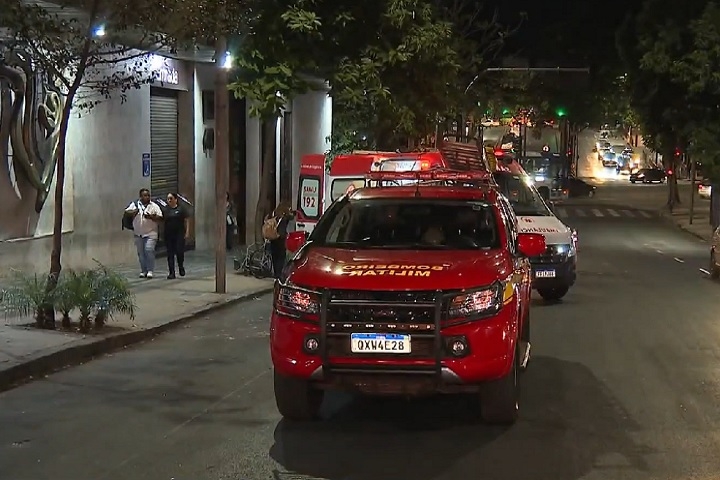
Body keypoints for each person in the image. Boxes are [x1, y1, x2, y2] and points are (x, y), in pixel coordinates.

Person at [124, 188, 163, 278]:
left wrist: (151, 217)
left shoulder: (154, 205)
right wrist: (134, 212)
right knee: (141, 253)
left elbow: (160, 217)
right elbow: (127, 212)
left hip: (151, 233)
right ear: (140, 196)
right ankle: (143, 270)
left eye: (148, 195)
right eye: (145, 195)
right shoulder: (135, 204)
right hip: (138, 233)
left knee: (149, 250)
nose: (147, 197)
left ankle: (150, 270)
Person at [264, 201, 294, 278]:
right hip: (280, 240)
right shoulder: (283, 217)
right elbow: (291, 218)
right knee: (280, 258)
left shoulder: (272, 214)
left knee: (274, 257)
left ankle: (276, 274)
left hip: (272, 239)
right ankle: (278, 275)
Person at [163, 192, 190, 279]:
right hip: (169, 234)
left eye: (171, 198)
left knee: (179, 251)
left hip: (179, 233)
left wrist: (187, 232)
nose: (169, 200)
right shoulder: (166, 210)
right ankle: (171, 272)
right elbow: (162, 221)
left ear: (175, 199)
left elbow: (187, 220)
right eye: (168, 199)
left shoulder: (181, 209)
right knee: (170, 254)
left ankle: (181, 266)